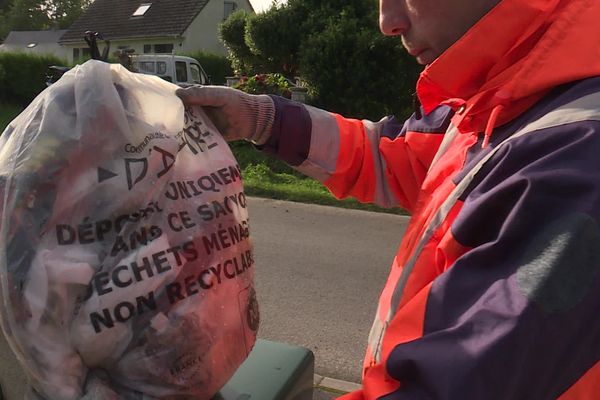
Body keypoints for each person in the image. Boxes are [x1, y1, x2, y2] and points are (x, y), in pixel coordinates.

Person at [177, 0, 600, 398]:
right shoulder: (502, 99)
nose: (387, 22)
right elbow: (395, 158)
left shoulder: (576, 156)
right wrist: (262, 119)